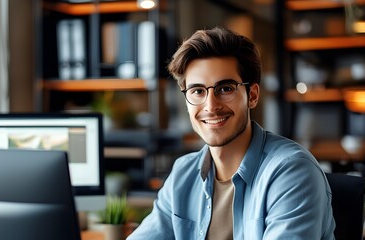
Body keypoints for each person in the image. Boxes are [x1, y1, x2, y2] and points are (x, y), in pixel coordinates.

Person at [127, 27, 335, 239]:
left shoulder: (292, 171)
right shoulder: (184, 172)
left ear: (252, 95)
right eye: (197, 91)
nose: (210, 106)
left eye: (225, 88)